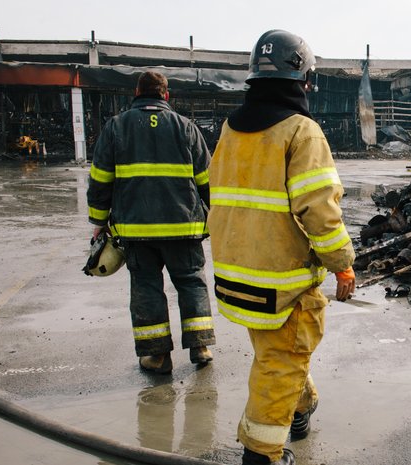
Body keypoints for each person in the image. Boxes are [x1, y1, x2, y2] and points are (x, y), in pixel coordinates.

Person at [207, 30, 356, 465]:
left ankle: (301, 408)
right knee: (282, 360)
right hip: (283, 285)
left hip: (237, 277)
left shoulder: (231, 129)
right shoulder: (301, 132)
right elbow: (320, 213)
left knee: (279, 351)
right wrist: (343, 264)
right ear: (302, 78)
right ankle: (262, 453)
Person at [87, 71, 216, 374]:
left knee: (146, 288)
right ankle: (200, 346)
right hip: (184, 227)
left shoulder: (116, 127)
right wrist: (216, 214)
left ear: (136, 92)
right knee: (191, 282)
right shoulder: (186, 127)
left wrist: (99, 221)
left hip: (137, 229)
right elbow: (208, 180)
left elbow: (101, 179)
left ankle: (157, 356)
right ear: (166, 96)